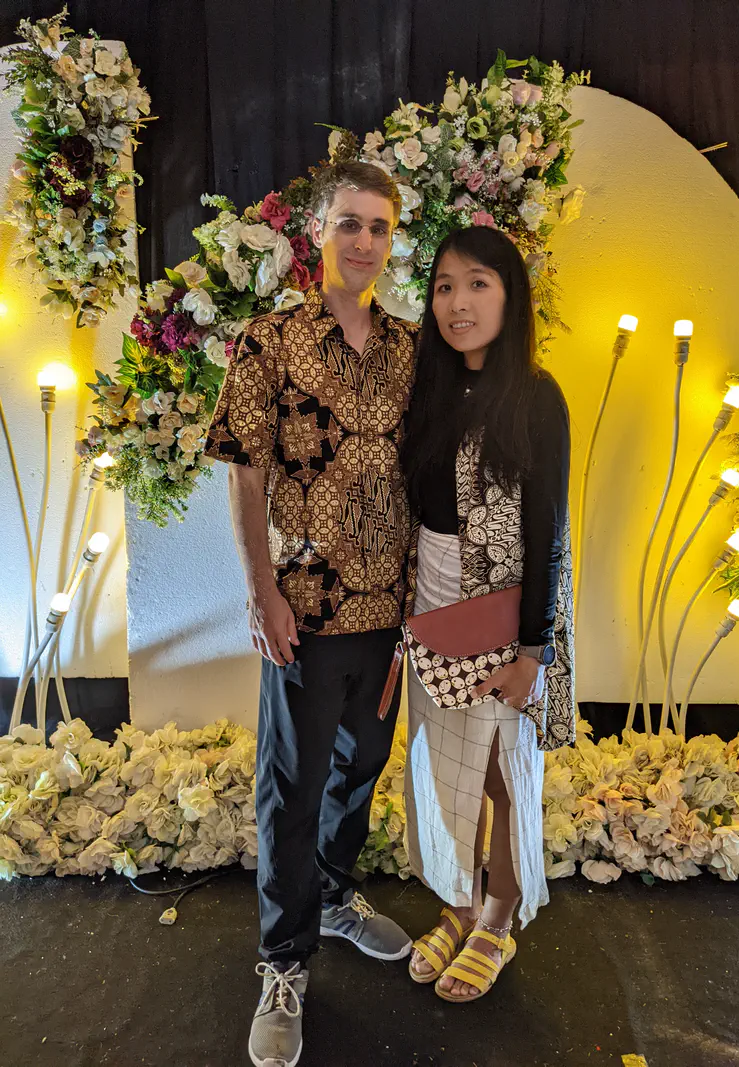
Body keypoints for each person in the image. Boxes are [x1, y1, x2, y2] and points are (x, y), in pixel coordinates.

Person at [204, 161, 419, 1067]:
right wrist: (259, 593)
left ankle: (332, 896)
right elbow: (245, 470)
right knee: (291, 789)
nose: (363, 241)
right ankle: (283, 962)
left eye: (377, 226)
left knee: (361, 765)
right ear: (315, 230)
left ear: (391, 237)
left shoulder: (413, 349)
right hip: (304, 607)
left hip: (388, 609)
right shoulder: (268, 341)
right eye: (348, 223)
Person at [400, 225, 576, 1003]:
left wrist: (532, 651)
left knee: (503, 771)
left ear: (510, 295)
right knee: (446, 768)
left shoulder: (537, 396)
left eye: (478, 284)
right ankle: (460, 900)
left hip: (504, 615)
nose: (458, 302)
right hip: (433, 603)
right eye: (444, 285)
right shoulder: (430, 387)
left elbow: (546, 531)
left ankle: (498, 915)